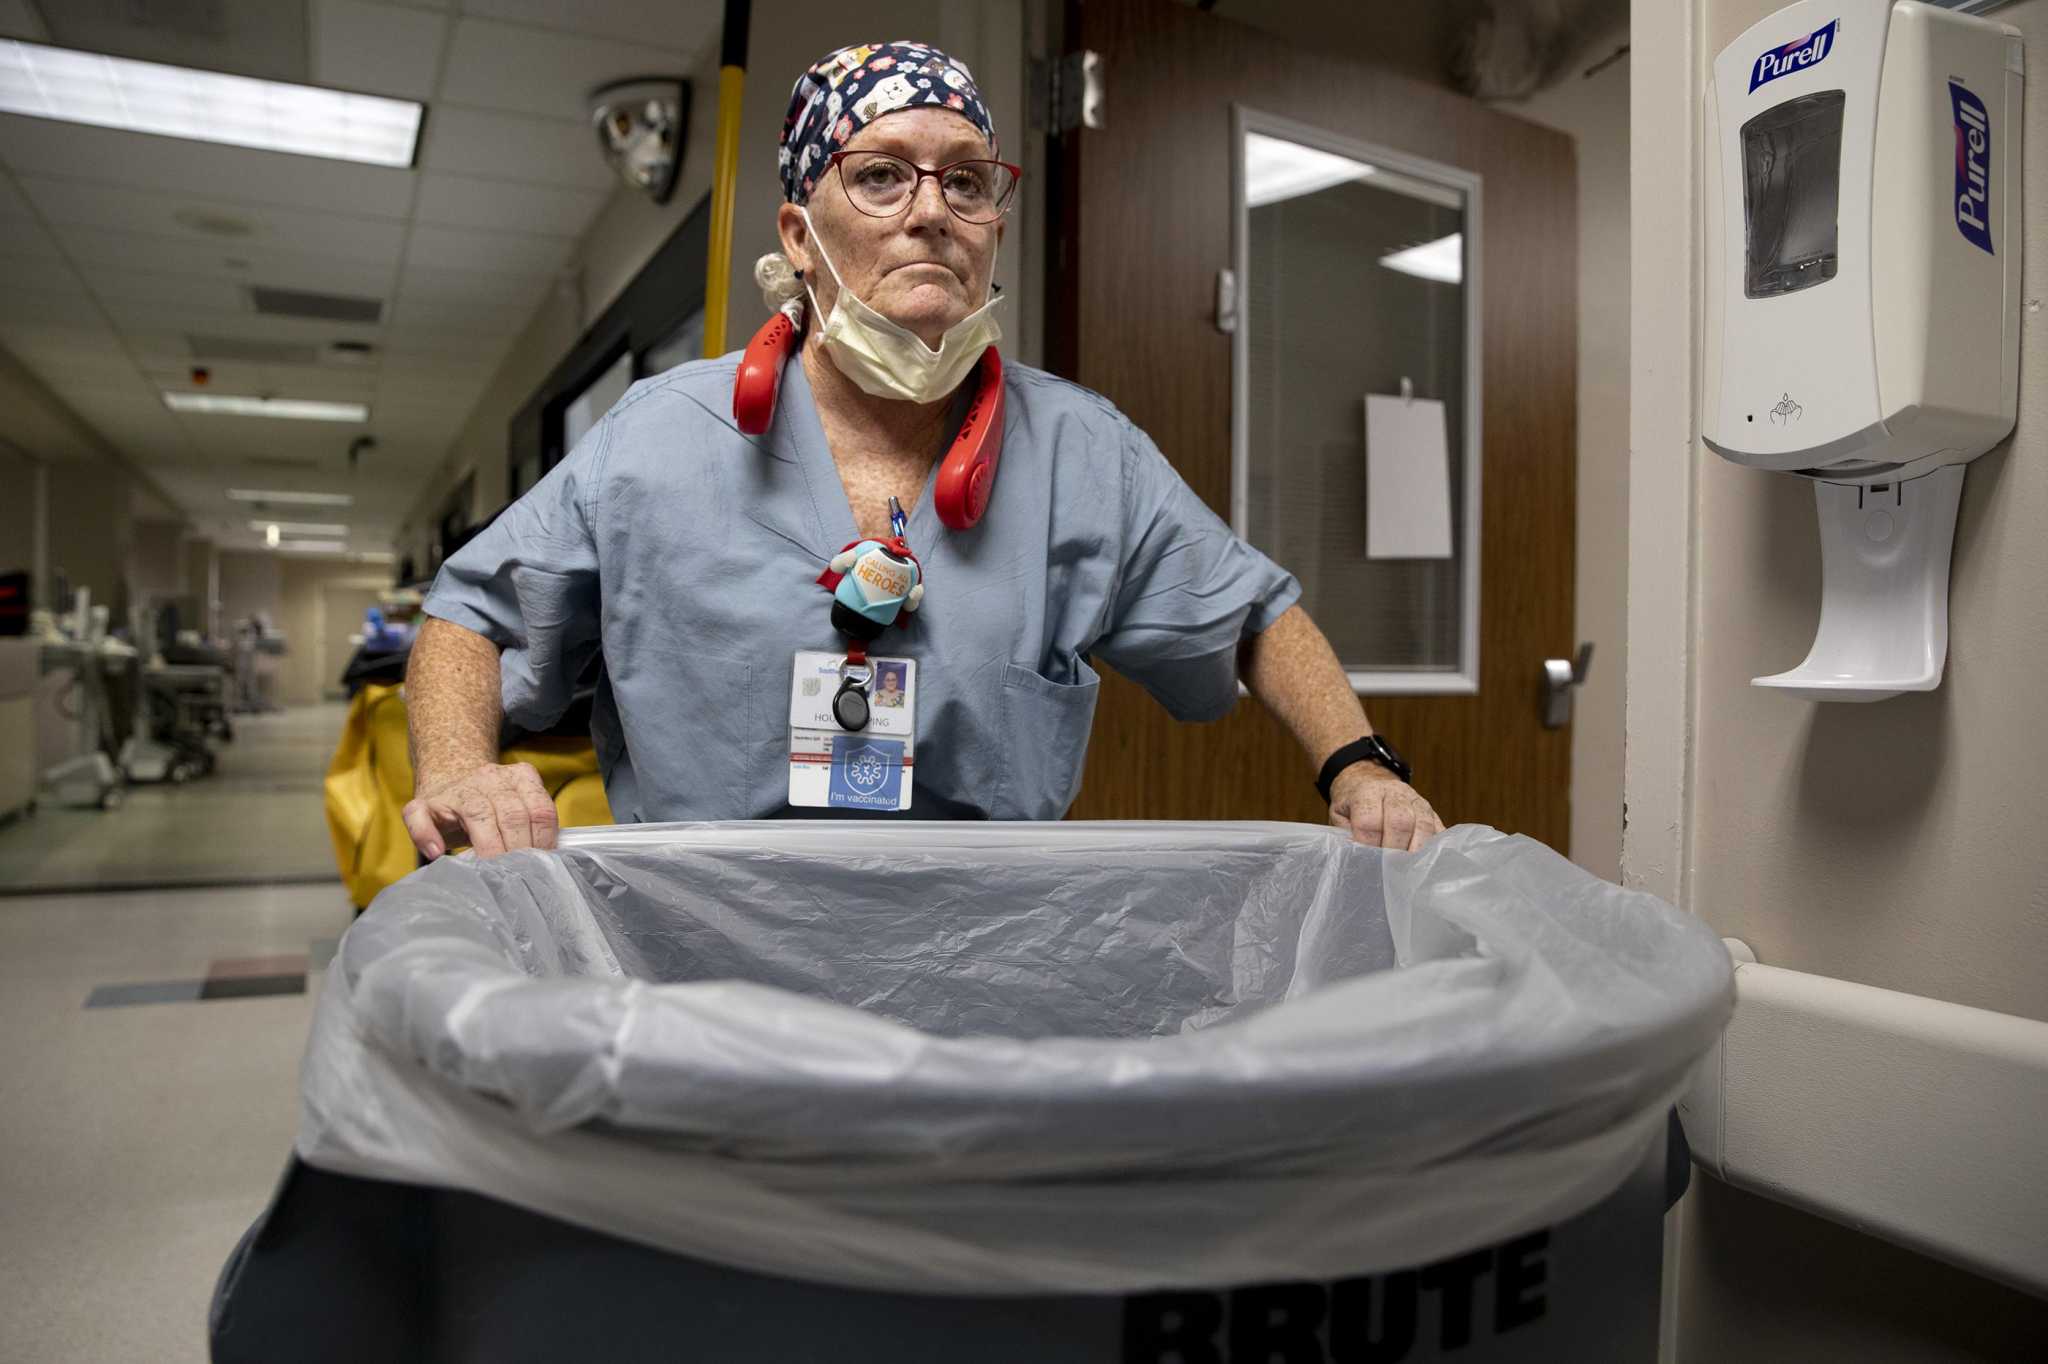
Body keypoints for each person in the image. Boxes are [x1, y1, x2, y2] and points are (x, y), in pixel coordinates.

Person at [403, 39, 1443, 859]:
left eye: (965, 182)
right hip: (707, 959)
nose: (932, 214)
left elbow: (1251, 612)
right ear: (799, 236)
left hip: (980, 968)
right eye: (882, 177)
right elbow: (470, 615)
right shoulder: (660, 436)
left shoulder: (1082, 452)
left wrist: (1356, 762)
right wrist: (455, 765)